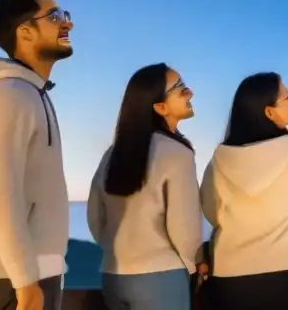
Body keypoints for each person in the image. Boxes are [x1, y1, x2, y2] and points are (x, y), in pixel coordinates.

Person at [0, 0, 74, 310]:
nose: (68, 22)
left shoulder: (32, 93)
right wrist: (26, 283)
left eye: (64, 14)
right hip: (11, 278)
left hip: (31, 272)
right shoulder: (8, 95)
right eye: (54, 17)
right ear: (25, 32)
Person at [200, 72, 288, 310]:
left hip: (230, 273)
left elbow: (212, 213)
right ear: (269, 112)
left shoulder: (220, 158)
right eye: (287, 98)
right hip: (287, 270)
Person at [87, 63, 204, 310]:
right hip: (161, 277)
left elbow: (95, 217)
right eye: (180, 88)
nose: (190, 92)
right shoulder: (177, 153)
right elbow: (184, 227)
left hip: (113, 274)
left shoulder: (112, 153)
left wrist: (114, 248)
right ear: (160, 107)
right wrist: (193, 266)